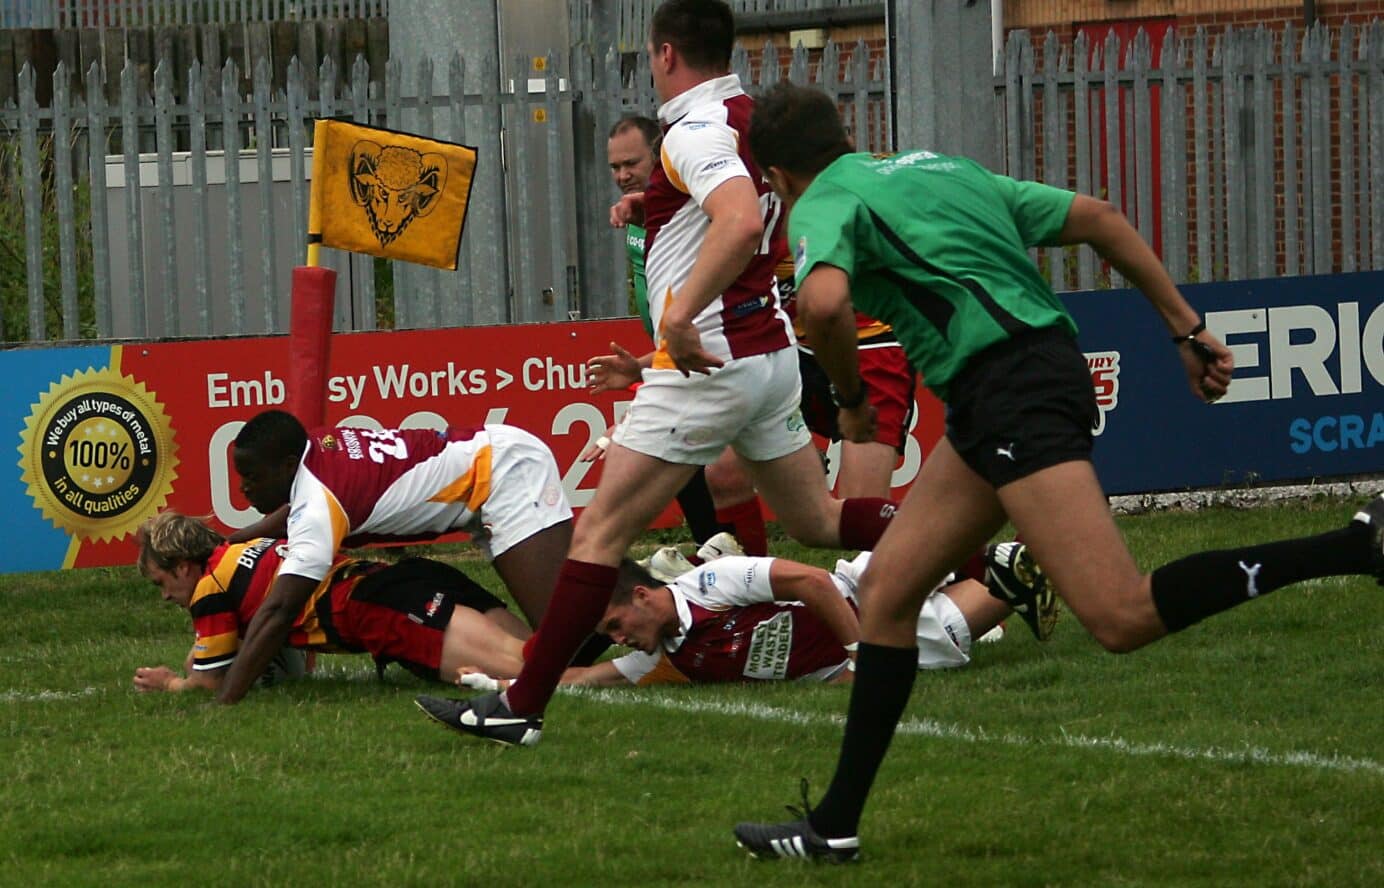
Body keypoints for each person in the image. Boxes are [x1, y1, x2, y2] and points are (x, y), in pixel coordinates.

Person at [729, 81, 1384, 862]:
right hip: (1002, 393)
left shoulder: (821, 204)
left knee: (1119, 616)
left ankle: (1354, 546)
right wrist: (1187, 327)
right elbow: (1101, 219)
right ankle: (833, 826)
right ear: (845, 132)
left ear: (774, 177)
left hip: (1014, 393)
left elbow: (827, 304)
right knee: (889, 594)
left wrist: (847, 401)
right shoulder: (941, 169)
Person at [414, 0, 906, 747]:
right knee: (822, 521)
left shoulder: (697, 128)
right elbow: (747, 206)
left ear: (666, 53)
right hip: (768, 354)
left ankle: (520, 706)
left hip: (708, 360)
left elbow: (740, 220)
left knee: (598, 535)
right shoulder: (749, 115)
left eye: (649, 55)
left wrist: (679, 318)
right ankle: (982, 547)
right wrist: (663, 206)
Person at [213, 410, 573, 704]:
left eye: (252, 476)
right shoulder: (319, 446)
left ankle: (628, 661)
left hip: (501, 474)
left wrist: (225, 700)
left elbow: (279, 610)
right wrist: (237, 539)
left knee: (567, 639)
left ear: (288, 465)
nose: (244, 487)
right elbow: (296, 508)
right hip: (493, 461)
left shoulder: (318, 506)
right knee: (574, 618)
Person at [444, 543, 1056, 707]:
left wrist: (857, 654)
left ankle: (1027, 551)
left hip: (859, 595)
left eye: (616, 623)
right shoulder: (665, 655)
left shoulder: (713, 584)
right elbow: (585, 678)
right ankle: (1022, 570)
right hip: (863, 635)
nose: (618, 638)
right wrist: (503, 689)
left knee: (934, 575)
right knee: (959, 623)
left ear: (644, 594)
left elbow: (812, 583)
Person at [132, 511, 529, 695]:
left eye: (161, 582)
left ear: (184, 567)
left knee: (540, 674)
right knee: (543, 656)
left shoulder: (210, 589)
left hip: (382, 605)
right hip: (409, 577)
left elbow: (207, 680)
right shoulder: (245, 553)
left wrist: (169, 684)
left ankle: (591, 669)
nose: (165, 596)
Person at [605, 112, 767, 559]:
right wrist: (643, 361)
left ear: (659, 157)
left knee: (711, 473)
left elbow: (731, 240)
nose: (622, 176)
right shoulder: (642, 216)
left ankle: (737, 571)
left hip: (728, 349)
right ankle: (724, 568)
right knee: (699, 467)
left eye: (630, 163)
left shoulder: (692, 204)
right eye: (614, 168)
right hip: (681, 354)